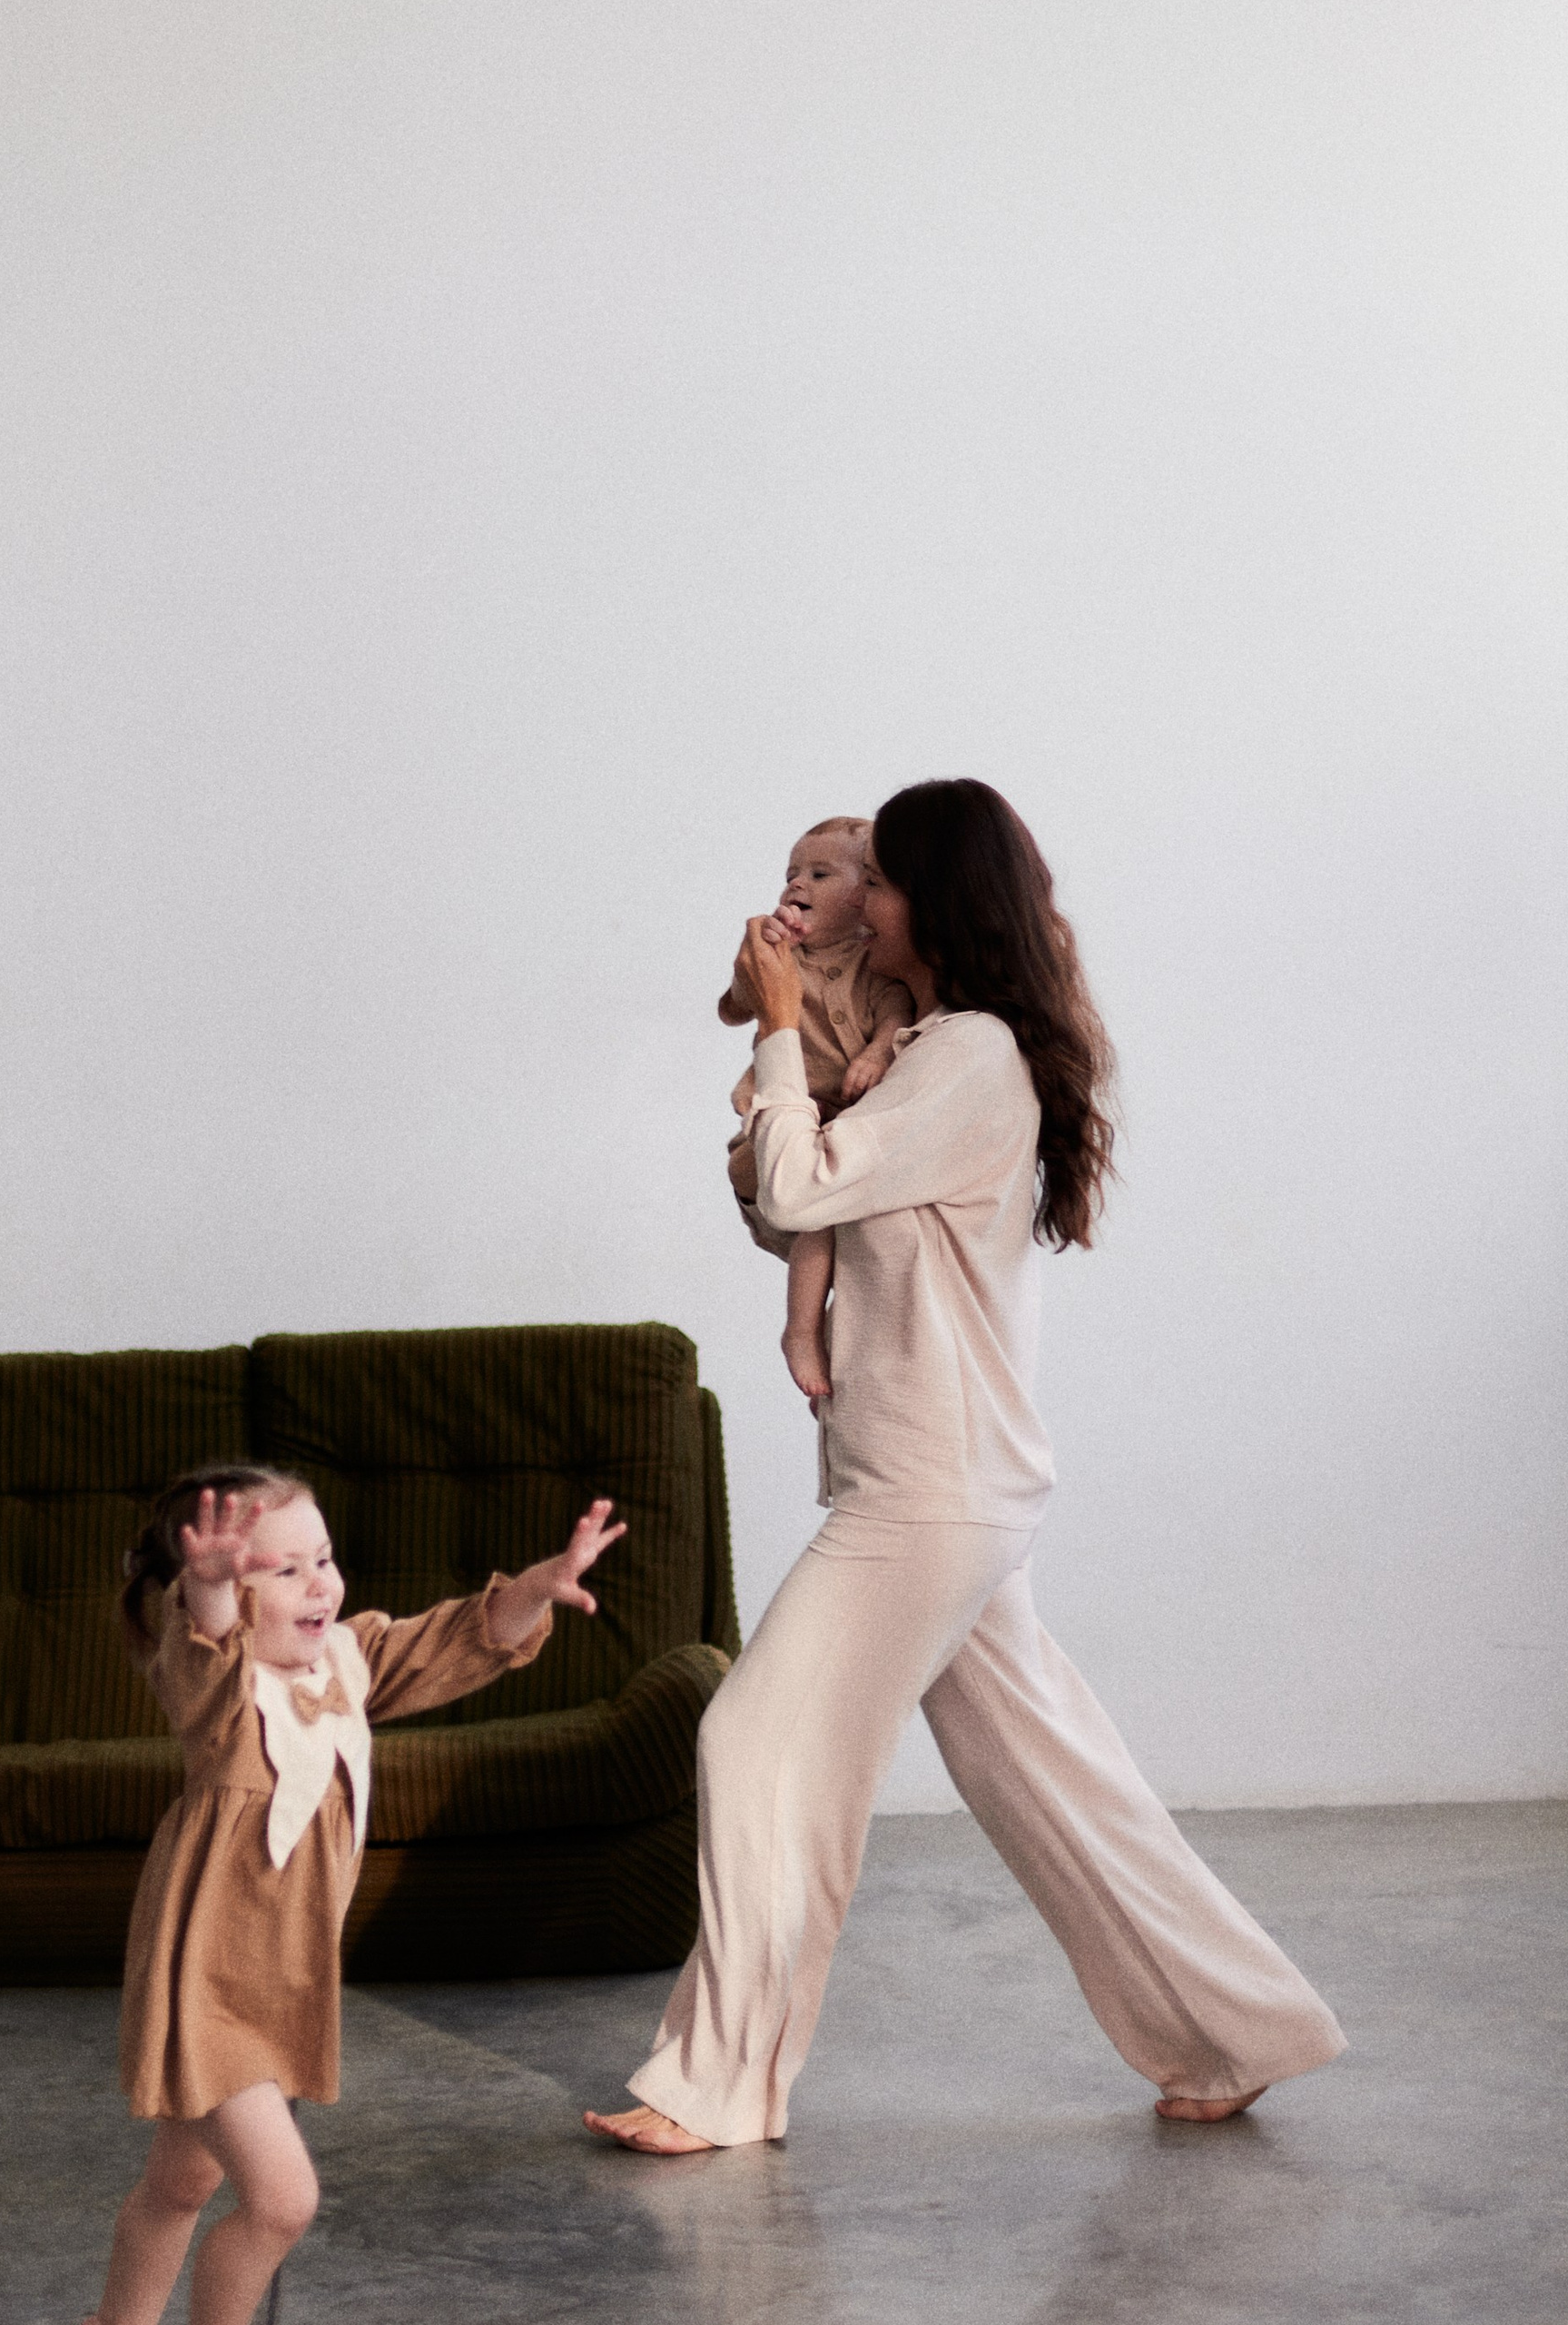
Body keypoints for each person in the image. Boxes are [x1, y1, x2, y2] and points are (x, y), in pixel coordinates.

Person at [587, 778, 1345, 2155]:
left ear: (935, 899)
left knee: (755, 1738)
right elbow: (794, 1211)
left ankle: (719, 2086)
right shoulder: (921, 1050)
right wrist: (786, 1088)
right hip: (937, 1476)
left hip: (928, 1489)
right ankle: (1236, 2030)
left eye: (878, 881)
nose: (854, 901)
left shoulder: (972, 1056)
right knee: (1053, 1780)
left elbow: (804, 1188)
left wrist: (772, 1043)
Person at [87, 1466, 624, 2325]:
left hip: (281, 1981)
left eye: (324, 1560)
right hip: (209, 1986)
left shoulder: (347, 1659)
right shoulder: (217, 1701)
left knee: (181, 2179)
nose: (319, 1585)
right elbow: (206, 1650)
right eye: (282, 1571)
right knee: (282, 2201)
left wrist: (539, 1587)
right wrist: (211, 1590)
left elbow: (463, 1636)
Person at [720, 815, 914, 1400]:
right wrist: (750, 969)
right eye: (791, 874)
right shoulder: (783, 958)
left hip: (840, 1123)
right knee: (815, 1221)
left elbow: (895, 1014)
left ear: (867, 900)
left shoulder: (873, 966)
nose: (795, 885)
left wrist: (879, 1052)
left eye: (821, 873)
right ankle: (800, 1330)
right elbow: (731, 1010)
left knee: (826, 1219)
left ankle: (809, 1330)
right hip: (787, 1119)